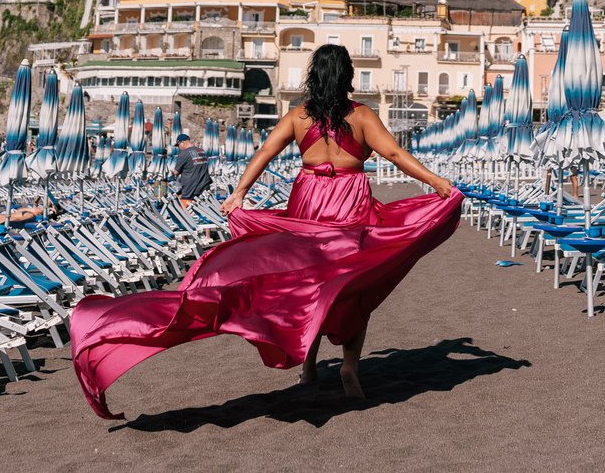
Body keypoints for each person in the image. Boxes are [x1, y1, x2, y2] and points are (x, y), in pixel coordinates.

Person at [70, 44, 461, 418]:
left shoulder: (298, 116)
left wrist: (240, 193)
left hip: (309, 199)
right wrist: (435, 181)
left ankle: (308, 367)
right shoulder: (362, 116)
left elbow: (265, 152)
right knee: (352, 283)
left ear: (314, 76)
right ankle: (349, 366)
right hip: (348, 200)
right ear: (347, 76)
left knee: (307, 283)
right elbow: (393, 153)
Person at [172, 130, 211, 204]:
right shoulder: (202, 151)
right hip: (204, 189)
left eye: (178, 145)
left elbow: (176, 172)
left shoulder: (183, 154)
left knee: (184, 210)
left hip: (190, 190)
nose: (179, 148)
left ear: (183, 143)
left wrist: (171, 172)